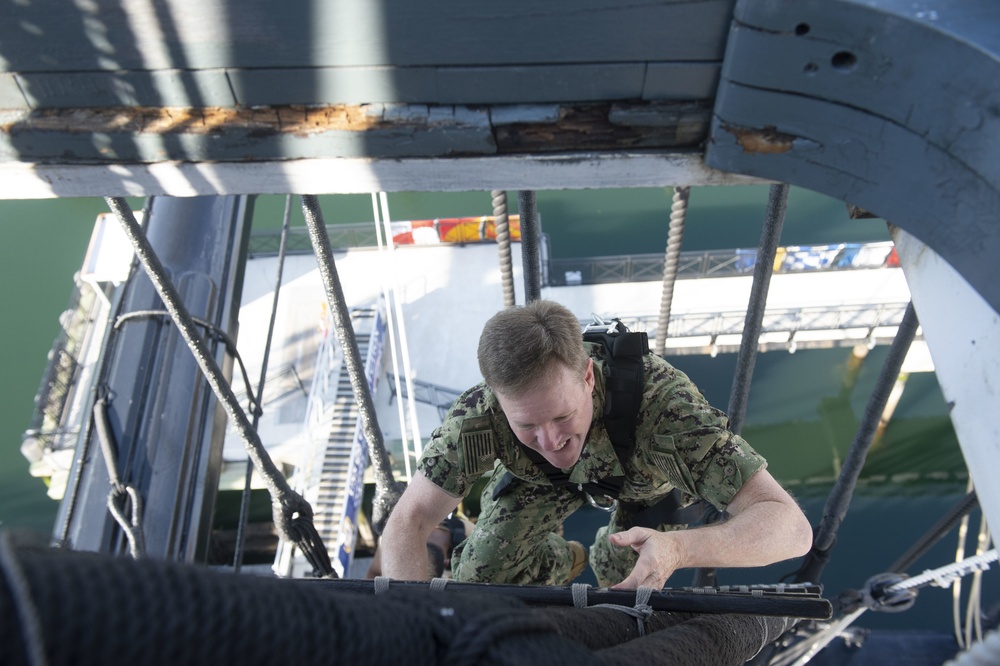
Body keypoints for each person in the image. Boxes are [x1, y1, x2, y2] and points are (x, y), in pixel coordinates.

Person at [380, 299, 812, 589]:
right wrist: (419, 619)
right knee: (478, 575)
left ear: (588, 378)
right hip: (541, 483)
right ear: (498, 401)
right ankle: (565, 560)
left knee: (622, 584)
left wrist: (681, 549)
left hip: (646, 488)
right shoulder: (478, 415)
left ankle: (603, 558)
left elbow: (790, 529)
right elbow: (408, 521)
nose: (550, 441)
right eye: (526, 424)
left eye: (563, 415)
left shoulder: (667, 410)